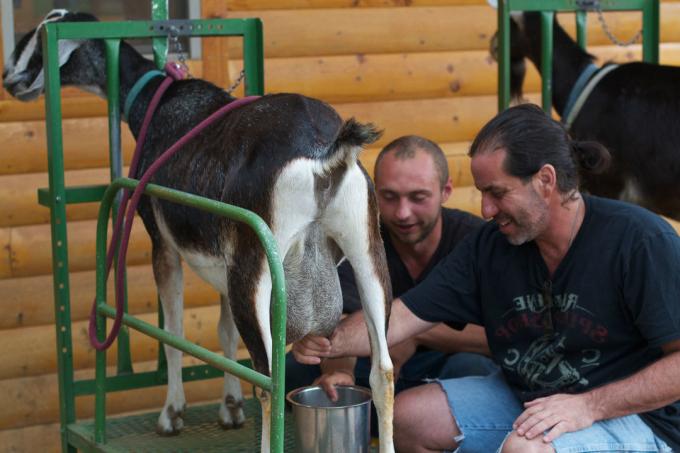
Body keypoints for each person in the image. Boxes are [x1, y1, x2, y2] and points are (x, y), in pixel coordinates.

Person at [293, 104, 680, 453]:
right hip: (530, 397)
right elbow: (402, 317)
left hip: (641, 417)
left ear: (545, 180)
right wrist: (328, 342)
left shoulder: (639, 240)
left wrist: (589, 406)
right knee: (406, 418)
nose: (485, 208)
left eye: (497, 193)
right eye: (482, 193)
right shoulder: (489, 246)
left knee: (526, 450)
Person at [286, 135, 496, 405]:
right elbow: (341, 321)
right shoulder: (357, 238)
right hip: (371, 359)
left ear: (446, 191)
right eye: (389, 197)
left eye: (418, 197)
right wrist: (340, 372)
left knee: (474, 370)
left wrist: (414, 331)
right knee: (294, 370)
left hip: (445, 362)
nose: (402, 213)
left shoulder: (477, 240)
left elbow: (499, 336)